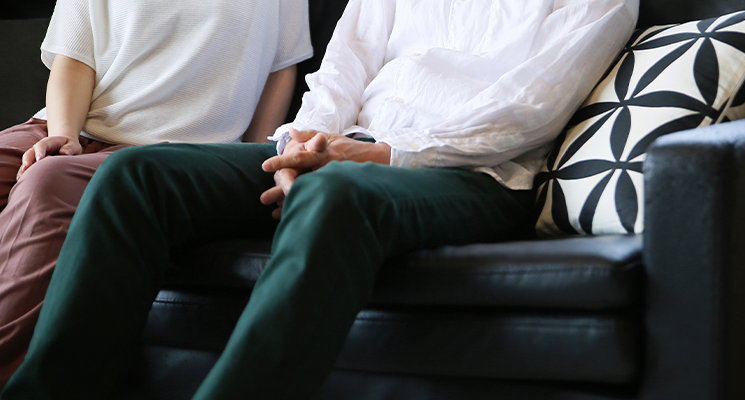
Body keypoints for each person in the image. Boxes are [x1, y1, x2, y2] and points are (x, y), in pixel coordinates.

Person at [1, 0, 638, 398]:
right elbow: (343, 67)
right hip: (339, 148)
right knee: (133, 175)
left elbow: (529, 111)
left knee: (335, 194)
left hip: (472, 173)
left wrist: (380, 154)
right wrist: (302, 142)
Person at [0, 0, 313, 388]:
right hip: (69, 128)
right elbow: (75, 55)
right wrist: (63, 137)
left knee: (47, 183)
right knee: (43, 171)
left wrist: (246, 162)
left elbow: (280, 69)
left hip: (167, 151)